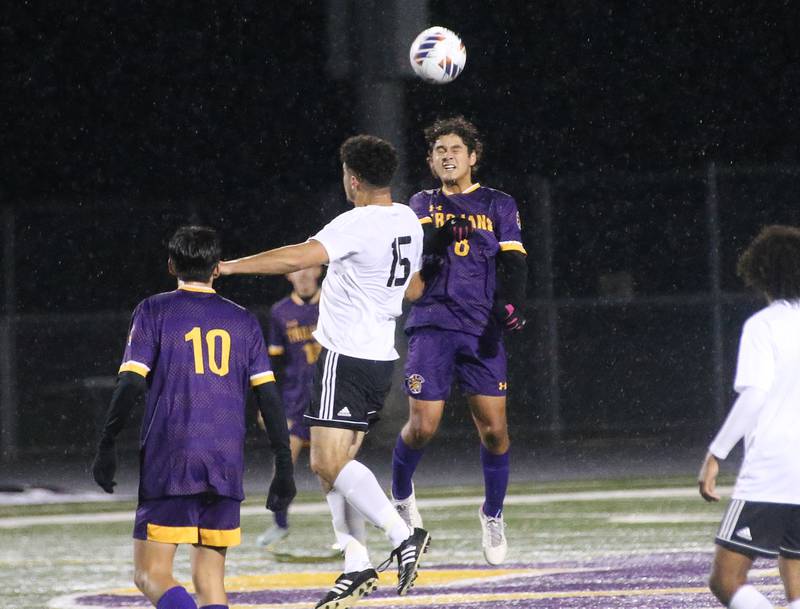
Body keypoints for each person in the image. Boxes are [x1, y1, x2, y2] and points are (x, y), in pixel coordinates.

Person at [219, 134, 429, 609]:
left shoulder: (356, 222)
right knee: (335, 470)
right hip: (379, 357)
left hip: (345, 356)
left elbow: (297, 257)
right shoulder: (407, 221)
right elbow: (414, 288)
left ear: (352, 179)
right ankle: (355, 562)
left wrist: (229, 267)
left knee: (323, 462)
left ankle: (403, 534)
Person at [91, 225, 296, 609]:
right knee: (210, 582)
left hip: (173, 456)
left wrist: (106, 442)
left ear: (171, 265)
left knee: (150, 574)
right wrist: (283, 463)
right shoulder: (243, 320)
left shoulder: (154, 310)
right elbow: (268, 395)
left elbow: (130, 384)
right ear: (217, 268)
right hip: (224, 458)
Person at [390, 116, 528, 566]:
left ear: (473, 156)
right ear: (431, 161)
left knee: (494, 433)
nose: (447, 156)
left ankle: (493, 513)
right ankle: (402, 495)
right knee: (423, 427)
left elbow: (515, 263)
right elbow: (419, 250)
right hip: (431, 324)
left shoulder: (499, 203)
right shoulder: (421, 202)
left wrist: (510, 304)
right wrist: (439, 235)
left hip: (480, 329)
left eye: (455, 149)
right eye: (438, 151)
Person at [698, 225, 800, 609]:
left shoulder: (764, 325)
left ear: (761, 272)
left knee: (726, 579)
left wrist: (715, 454)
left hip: (773, 468)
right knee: (796, 573)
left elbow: (754, 395)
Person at [256, 265, 323, 547]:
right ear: (288, 275)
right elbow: (273, 364)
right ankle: (280, 524)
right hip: (295, 401)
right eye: (298, 271)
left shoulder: (335, 303)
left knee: (332, 469)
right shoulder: (280, 312)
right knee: (284, 465)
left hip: (327, 398)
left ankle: (348, 534)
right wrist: (267, 403)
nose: (304, 276)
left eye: (309, 269)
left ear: (319, 270)